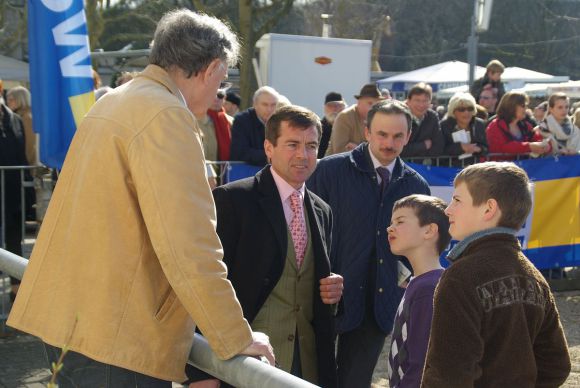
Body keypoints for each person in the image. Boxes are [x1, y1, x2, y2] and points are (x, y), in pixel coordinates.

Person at [8, 9, 275, 387]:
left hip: (72, 321)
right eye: (221, 79)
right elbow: (189, 243)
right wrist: (235, 334)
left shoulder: (117, 100)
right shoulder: (166, 116)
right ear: (210, 67)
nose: (219, 93)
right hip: (117, 335)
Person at [186, 105, 343, 387]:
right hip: (245, 366)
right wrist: (202, 372)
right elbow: (205, 284)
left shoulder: (323, 211)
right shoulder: (233, 201)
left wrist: (332, 293)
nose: (302, 155)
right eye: (292, 144)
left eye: (311, 146)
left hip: (305, 365)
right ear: (269, 148)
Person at [308, 100, 431, 388]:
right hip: (325, 296)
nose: (389, 143)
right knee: (310, 378)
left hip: (378, 302)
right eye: (382, 134)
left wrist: (406, 275)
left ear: (408, 137)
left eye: (397, 136)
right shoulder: (327, 171)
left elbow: (422, 246)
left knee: (354, 381)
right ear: (367, 132)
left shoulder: (417, 187)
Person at [421, 162, 571, 387]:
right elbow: (557, 365)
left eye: (457, 200)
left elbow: (448, 375)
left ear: (489, 209)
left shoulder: (461, 277)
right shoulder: (534, 277)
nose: (448, 209)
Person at [386, 194, 451, 388]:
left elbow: (421, 365)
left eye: (400, 221)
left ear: (429, 230)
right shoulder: (419, 282)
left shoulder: (428, 289)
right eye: (391, 222)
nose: (390, 228)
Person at [0, 94, 27, 301]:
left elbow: (22, 158)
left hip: (12, 196)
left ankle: (15, 299)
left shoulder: (14, 120)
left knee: (14, 244)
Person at [486, 92, 551, 160]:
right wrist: (529, 146)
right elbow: (501, 148)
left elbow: (536, 138)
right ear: (511, 106)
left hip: (524, 167)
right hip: (501, 168)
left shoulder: (526, 126)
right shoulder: (495, 126)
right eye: (523, 106)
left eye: (526, 106)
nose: (526, 109)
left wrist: (544, 145)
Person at [327, 83, 383, 155]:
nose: (374, 108)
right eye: (370, 103)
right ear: (359, 102)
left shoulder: (376, 119)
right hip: (335, 165)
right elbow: (340, 150)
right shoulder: (345, 117)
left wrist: (357, 148)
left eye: (377, 104)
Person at [230, 86, 279, 166]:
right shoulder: (242, 121)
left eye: (273, 105)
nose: (269, 109)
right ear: (255, 104)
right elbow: (240, 152)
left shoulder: (279, 122)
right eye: (265, 105)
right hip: (247, 173)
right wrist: (269, 155)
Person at [440, 92, 488, 166]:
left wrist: (479, 149)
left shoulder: (479, 124)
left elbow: (486, 148)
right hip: (449, 170)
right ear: (453, 111)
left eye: (470, 109)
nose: (466, 112)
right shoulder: (444, 126)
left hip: (473, 169)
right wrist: (461, 147)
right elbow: (439, 151)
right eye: (461, 109)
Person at [401, 82, 444, 163]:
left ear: (430, 102)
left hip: (425, 169)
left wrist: (413, 151)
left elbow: (438, 148)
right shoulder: (400, 117)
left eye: (425, 100)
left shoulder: (433, 117)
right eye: (417, 100)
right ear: (409, 101)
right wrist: (423, 146)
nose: (421, 105)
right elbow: (398, 148)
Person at [6, 86, 35, 166]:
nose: (8, 102)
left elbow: (30, 146)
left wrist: (26, 165)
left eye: (11, 99)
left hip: (26, 167)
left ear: (21, 99)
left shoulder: (26, 117)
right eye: (7, 99)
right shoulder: (17, 116)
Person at [319, 91, 346, 158]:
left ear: (344, 107)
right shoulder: (318, 128)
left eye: (337, 105)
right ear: (325, 108)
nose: (334, 109)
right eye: (330, 106)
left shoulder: (349, 127)